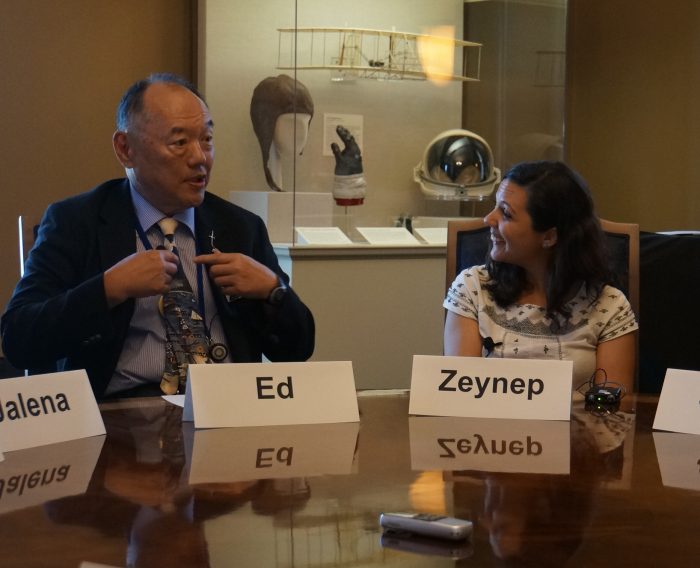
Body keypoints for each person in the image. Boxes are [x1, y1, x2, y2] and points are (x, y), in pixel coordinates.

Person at [1, 73, 315, 399]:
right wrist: (109, 288)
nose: (199, 158)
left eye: (206, 140)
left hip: (228, 409)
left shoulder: (239, 227)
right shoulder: (77, 222)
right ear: (126, 149)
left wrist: (273, 291)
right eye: (179, 143)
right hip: (121, 416)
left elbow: (298, 349)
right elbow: (19, 339)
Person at [443, 160, 637, 393]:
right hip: (485, 430)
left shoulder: (610, 306)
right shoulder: (472, 288)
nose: (488, 220)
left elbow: (615, 415)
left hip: (579, 430)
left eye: (505, 213)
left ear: (549, 237)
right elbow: (459, 398)